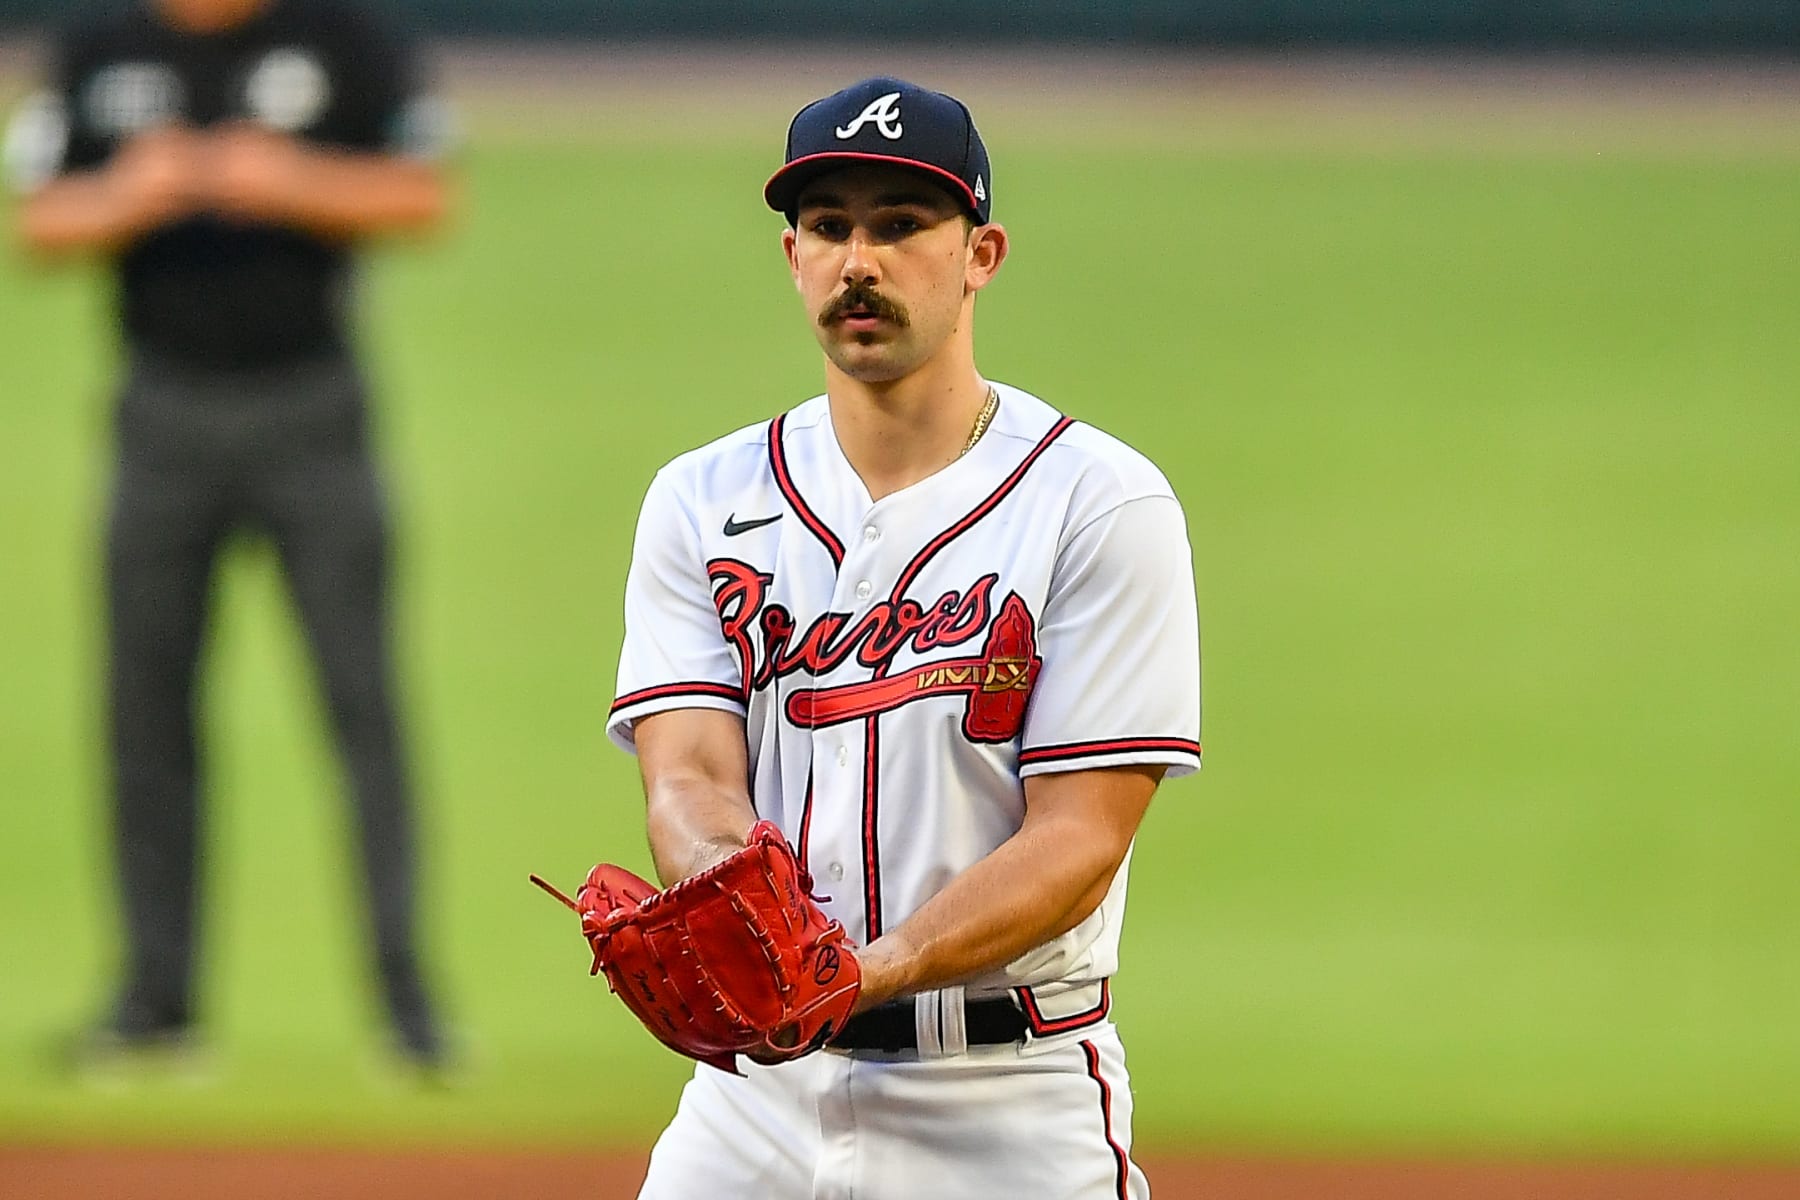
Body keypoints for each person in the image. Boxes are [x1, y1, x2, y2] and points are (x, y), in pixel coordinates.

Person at [604, 77, 1201, 1198]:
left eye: (901, 225)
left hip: (1008, 1105)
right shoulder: (699, 500)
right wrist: (737, 901)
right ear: (792, 259)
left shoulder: (1098, 502)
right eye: (828, 228)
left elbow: (1080, 838)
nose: (858, 260)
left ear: (982, 253)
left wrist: (870, 970)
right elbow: (684, 774)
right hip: (752, 1115)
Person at [2, 0, 452, 1071]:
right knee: (146, 713)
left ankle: (407, 1004)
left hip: (314, 410)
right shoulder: (98, 48)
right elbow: (36, 219)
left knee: (361, 705)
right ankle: (156, 1006)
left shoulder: (344, 37)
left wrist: (287, 180)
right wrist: (130, 193)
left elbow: (425, 192)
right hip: (161, 413)